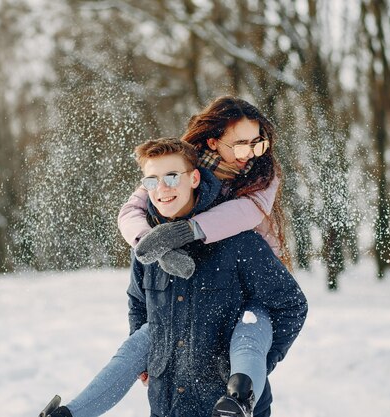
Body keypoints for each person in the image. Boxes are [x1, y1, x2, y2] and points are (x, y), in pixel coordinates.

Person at [45, 97, 304, 417]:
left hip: (248, 285)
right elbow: (133, 222)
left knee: (251, 325)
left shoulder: (257, 183)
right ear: (213, 142)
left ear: (194, 180)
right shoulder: (176, 170)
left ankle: (241, 393)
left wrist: (188, 231)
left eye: (257, 143)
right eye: (240, 145)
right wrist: (151, 246)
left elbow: (242, 217)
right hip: (170, 402)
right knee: (146, 337)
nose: (249, 153)